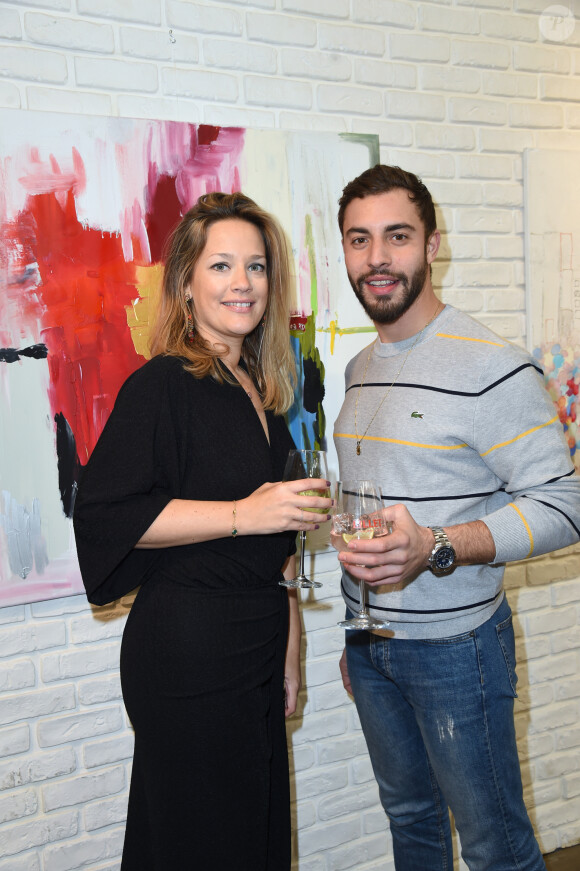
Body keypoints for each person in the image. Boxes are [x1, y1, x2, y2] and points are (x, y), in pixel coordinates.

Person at [73, 191, 332, 871]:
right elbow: (110, 513)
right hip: (188, 651)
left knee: (250, 834)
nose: (241, 282)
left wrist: (292, 629)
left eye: (255, 265)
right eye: (221, 266)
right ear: (187, 281)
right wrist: (252, 510)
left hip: (254, 639)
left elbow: (274, 546)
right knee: (201, 842)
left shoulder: (260, 386)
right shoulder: (162, 384)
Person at [332, 164, 580, 871]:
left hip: (458, 651)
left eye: (397, 236)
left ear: (433, 245)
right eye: (359, 239)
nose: (377, 257)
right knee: (410, 824)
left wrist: (438, 545)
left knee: (495, 845)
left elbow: (566, 504)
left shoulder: (493, 366)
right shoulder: (359, 369)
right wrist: (361, 632)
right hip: (373, 646)